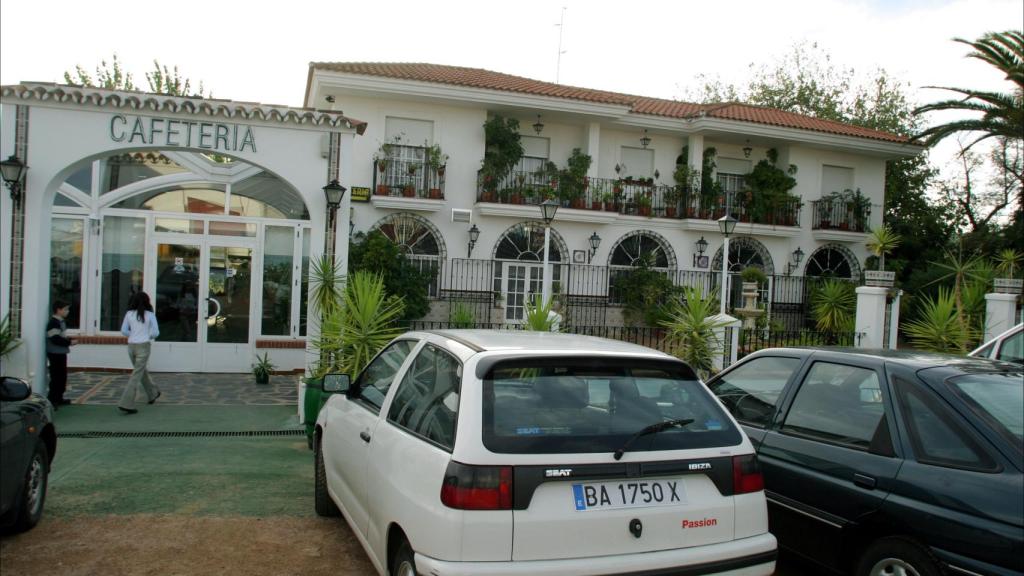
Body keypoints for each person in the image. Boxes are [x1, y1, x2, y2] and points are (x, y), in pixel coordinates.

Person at [118, 292, 161, 414]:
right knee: (137, 374)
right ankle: (126, 403)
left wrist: (132, 335)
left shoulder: (129, 314)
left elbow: (124, 331)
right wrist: (146, 336)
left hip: (131, 346)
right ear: (147, 301)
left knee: (139, 371)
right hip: (144, 346)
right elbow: (155, 333)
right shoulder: (150, 315)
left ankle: (153, 393)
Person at [45, 300, 76, 408]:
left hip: (61, 352)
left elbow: (60, 336)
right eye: (65, 309)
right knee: (56, 376)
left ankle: (59, 397)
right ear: (58, 310)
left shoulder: (61, 321)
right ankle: (52, 399)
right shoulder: (54, 322)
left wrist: (68, 340)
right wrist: (69, 342)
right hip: (55, 353)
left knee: (62, 376)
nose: (67, 311)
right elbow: (55, 338)